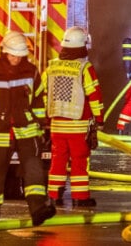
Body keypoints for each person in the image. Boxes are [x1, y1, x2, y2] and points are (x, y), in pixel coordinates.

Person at [0, 31, 55, 225]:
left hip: (27, 131)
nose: (16, 59)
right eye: (13, 55)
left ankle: (38, 210)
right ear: (5, 53)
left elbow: (38, 100)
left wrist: (41, 125)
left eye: (19, 55)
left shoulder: (31, 72)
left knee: (34, 170)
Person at [43, 26, 105, 209]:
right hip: (78, 125)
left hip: (56, 125)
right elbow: (94, 95)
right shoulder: (85, 68)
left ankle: (54, 196)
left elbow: (43, 93)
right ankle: (80, 197)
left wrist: (45, 117)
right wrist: (99, 119)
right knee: (79, 161)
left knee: (57, 160)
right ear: (82, 47)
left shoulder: (52, 67)